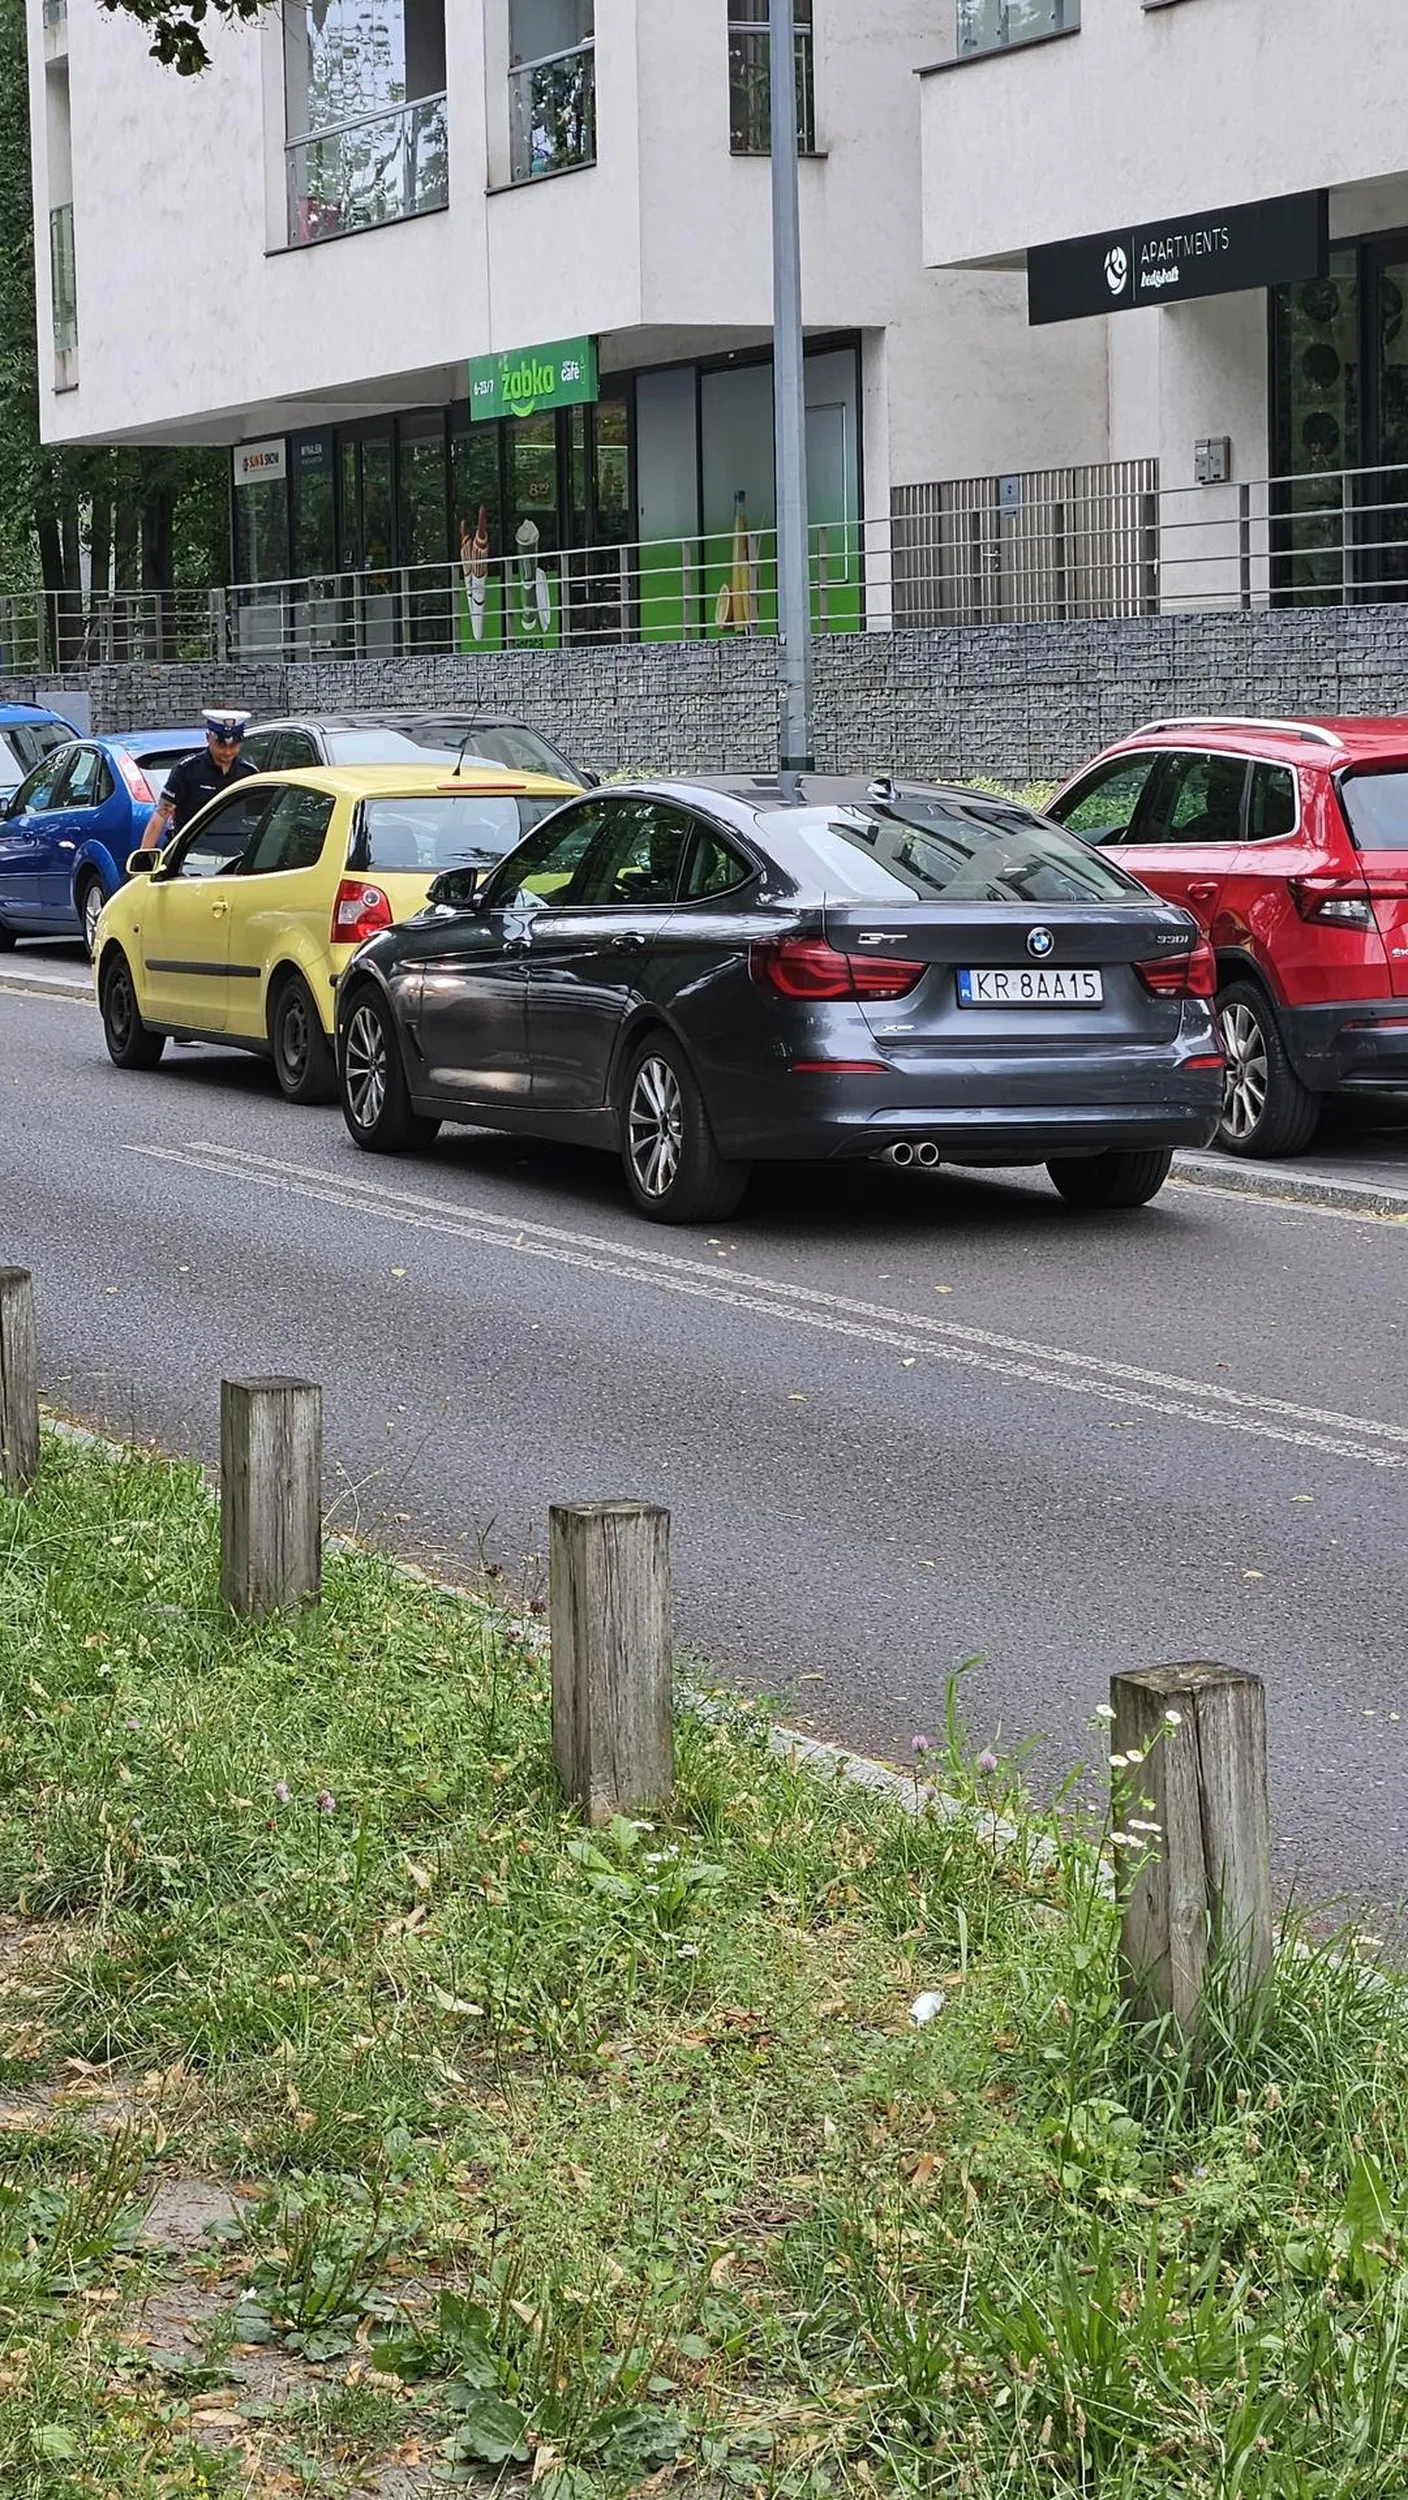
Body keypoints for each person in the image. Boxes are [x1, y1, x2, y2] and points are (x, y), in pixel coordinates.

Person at [140, 707, 258, 850]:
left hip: (233, 857)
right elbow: (162, 814)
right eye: (221, 745)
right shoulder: (187, 770)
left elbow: (258, 817)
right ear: (208, 738)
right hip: (189, 857)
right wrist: (144, 856)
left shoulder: (248, 773)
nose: (227, 752)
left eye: (234, 745)